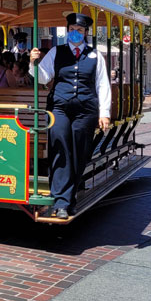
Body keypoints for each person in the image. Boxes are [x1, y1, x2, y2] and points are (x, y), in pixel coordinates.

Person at [30, 13, 112, 219]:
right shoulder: (57, 52)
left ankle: (70, 197)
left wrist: (105, 113)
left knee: (78, 153)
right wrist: (34, 63)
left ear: (86, 33)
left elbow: (102, 84)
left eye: (80, 30)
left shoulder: (95, 56)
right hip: (60, 108)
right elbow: (43, 77)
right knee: (60, 149)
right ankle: (61, 202)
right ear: (68, 31)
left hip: (85, 111)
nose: (75, 33)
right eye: (72, 30)